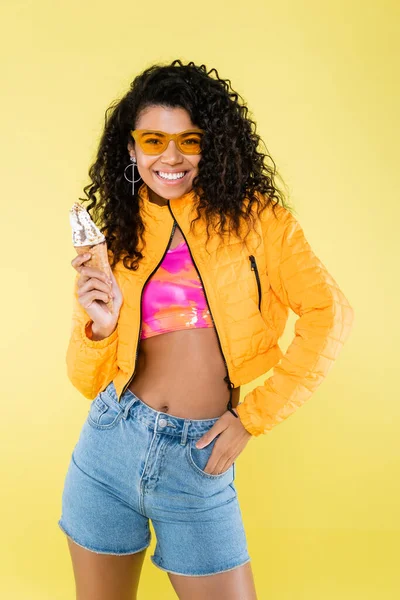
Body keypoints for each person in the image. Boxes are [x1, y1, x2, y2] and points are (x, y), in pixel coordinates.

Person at [58, 59, 354, 600]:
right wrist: (98, 329)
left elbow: (329, 313)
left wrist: (254, 416)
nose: (170, 157)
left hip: (199, 458)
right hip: (108, 446)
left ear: (211, 145)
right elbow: (85, 380)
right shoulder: (118, 232)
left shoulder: (260, 221)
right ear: (131, 148)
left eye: (188, 141)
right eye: (153, 140)